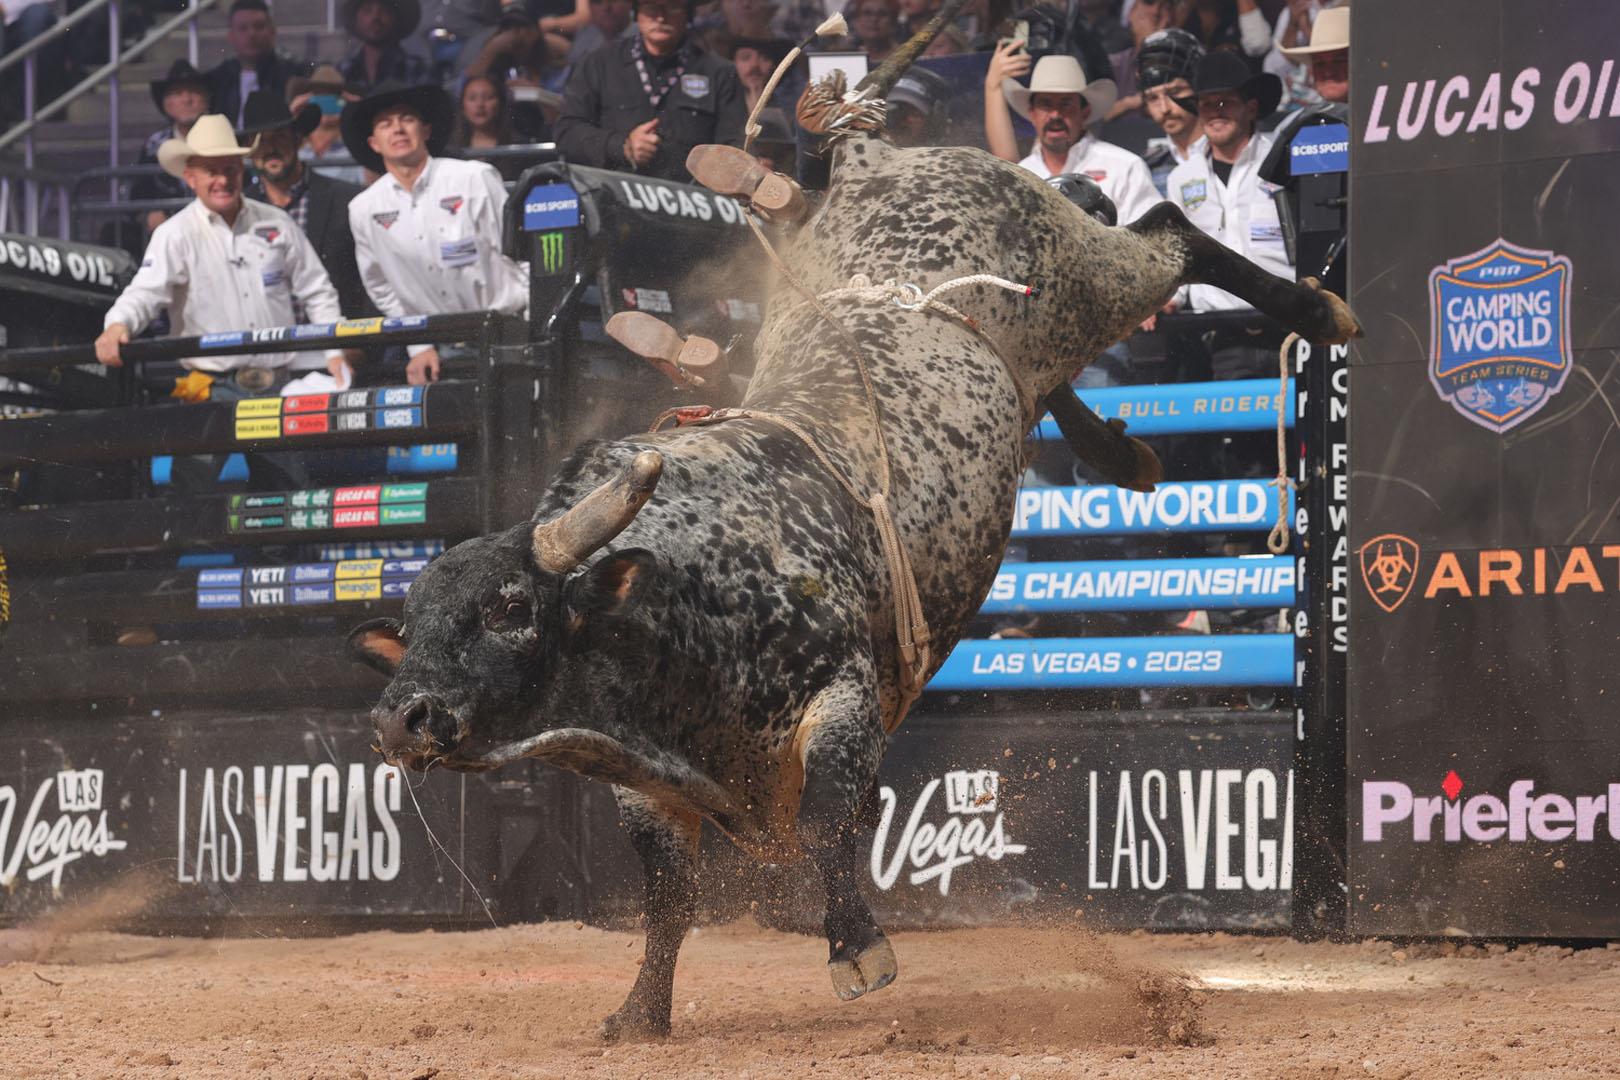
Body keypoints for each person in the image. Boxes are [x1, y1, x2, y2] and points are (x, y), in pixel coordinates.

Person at [95, 115, 350, 397]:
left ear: (241, 170)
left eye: (230, 168)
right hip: (213, 386)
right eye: (211, 171)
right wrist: (117, 324)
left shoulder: (277, 222)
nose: (223, 180)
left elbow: (317, 290)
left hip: (281, 381)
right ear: (190, 178)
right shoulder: (175, 234)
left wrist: (335, 353)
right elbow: (145, 293)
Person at [344, 82, 529, 385]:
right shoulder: (364, 208)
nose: (398, 129)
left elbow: (522, 251)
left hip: (507, 331)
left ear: (426, 130)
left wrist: (533, 322)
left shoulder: (473, 178)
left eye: (407, 119)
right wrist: (419, 345)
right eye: (386, 124)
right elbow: (379, 286)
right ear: (374, 143)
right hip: (441, 349)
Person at [1163, 49, 1290, 376]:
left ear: (1251, 108)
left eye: (1226, 102)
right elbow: (1177, 252)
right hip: (1223, 334)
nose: (1215, 112)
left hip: (1290, 325)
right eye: (1207, 104)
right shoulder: (1182, 178)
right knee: (1235, 411)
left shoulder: (1284, 161)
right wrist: (1168, 298)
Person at [554, 0, 746, 183]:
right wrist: (622, 146)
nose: (661, 17)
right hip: (612, 196)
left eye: (673, 7)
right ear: (636, 12)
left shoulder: (720, 73)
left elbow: (735, 146)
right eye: (650, 7)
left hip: (692, 198)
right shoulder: (598, 62)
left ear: (688, 13)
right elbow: (566, 132)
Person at [985, 53, 1161, 226]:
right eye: (1046, 104)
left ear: (1084, 113)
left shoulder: (1125, 167)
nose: (1055, 115)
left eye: (1065, 104)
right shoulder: (1021, 175)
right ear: (1032, 114)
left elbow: (1152, 235)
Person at [241, 91, 372, 321]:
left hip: (337, 335)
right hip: (269, 337)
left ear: (299, 140)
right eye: (261, 141)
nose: (271, 148)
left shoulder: (347, 200)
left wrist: (360, 339)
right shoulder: (240, 209)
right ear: (250, 150)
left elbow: (373, 276)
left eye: (280, 137)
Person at [132, 60, 213, 237]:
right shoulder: (154, 145)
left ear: (206, 98)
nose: (186, 99)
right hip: (170, 230)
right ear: (166, 105)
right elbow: (138, 195)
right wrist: (149, 215)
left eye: (193, 91)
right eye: (177, 93)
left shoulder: (220, 136)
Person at [206, 0, 315, 126]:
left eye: (258, 26)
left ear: (272, 32)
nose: (251, 34)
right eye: (243, 28)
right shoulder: (217, 81)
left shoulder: (294, 75)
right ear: (231, 36)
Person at [1134, 27, 1205, 195]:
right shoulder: (1147, 168)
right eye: (1153, 98)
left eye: (1174, 93)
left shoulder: (1228, 152)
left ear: (1199, 90)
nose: (1164, 108)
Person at [286, 65, 368, 185]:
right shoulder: (294, 147)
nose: (325, 103)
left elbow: (372, 183)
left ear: (344, 101)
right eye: (319, 95)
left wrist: (362, 113)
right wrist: (290, 116)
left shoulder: (355, 148)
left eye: (332, 96)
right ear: (307, 100)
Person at [340, 0, 433, 90]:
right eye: (367, 10)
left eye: (385, 10)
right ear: (356, 19)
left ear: (397, 19)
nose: (375, 17)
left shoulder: (417, 70)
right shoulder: (343, 71)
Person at [1276, 3, 1346, 105]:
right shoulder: (1305, 115)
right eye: (1319, 64)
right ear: (1311, 71)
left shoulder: (1371, 111)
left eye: (1339, 61)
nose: (1328, 72)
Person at [848, 0, 899, 65]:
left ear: (894, 21)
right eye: (867, 13)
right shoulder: (848, 59)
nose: (874, 19)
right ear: (856, 21)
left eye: (882, 14)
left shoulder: (908, 59)